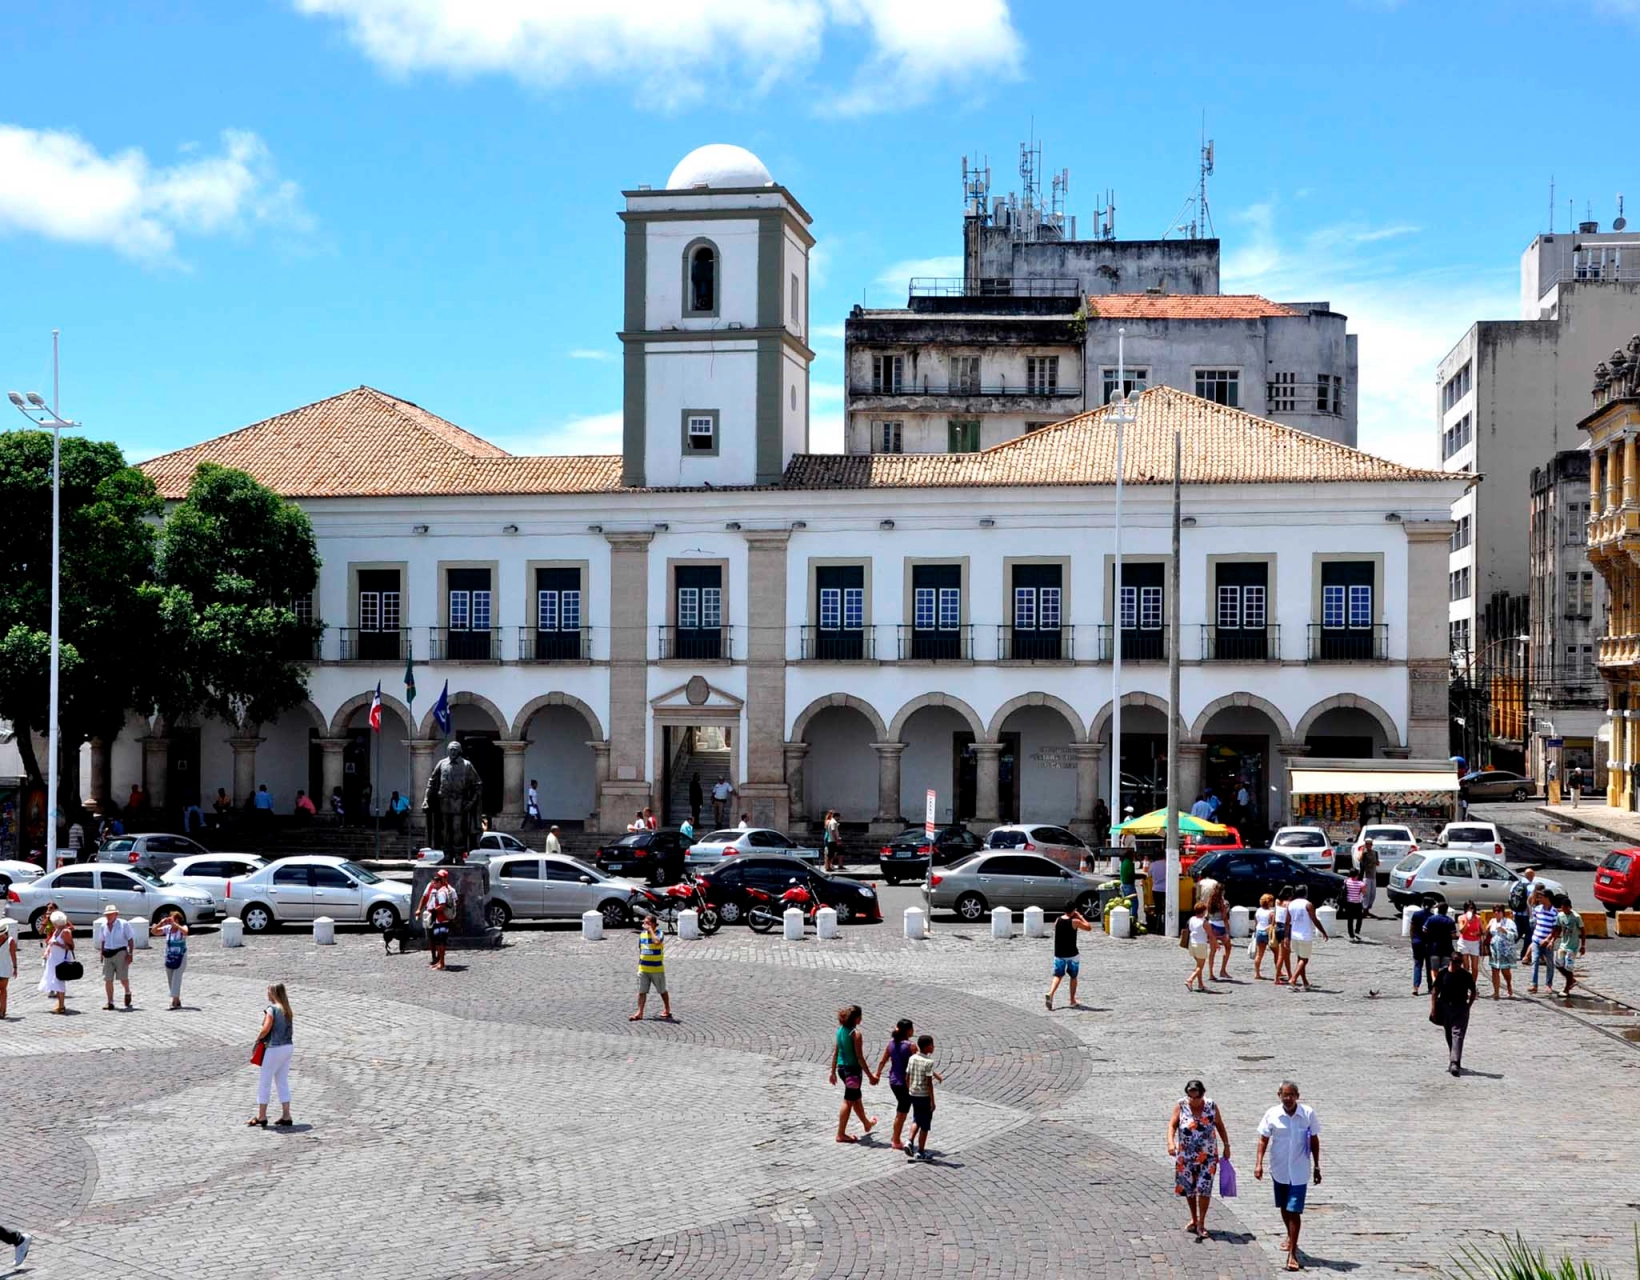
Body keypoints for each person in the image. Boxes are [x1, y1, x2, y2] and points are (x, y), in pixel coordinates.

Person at [1255, 1081, 1322, 1273]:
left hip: (1300, 1171)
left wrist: (1317, 1166)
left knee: (1294, 1211)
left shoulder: (1308, 1114)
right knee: (1284, 1207)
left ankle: (1292, 1253)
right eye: (1285, 1094)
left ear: (1298, 1096)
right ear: (1279, 1095)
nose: (1288, 1098)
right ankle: (1290, 1236)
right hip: (1280, 1170)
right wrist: (1258, 1164)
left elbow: (1314, 1139)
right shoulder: (1272, 1114)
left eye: (1292, 1094)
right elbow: (1263, 1140)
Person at [1168, 1078, 1231, 1241]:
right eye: (1190, 1096)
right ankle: (1194, 1218)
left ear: (1202, 1094)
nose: (1193, 1100)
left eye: (1196, 1096)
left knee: (1204, 1188)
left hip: (1208, 1156)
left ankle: (1201, 1222)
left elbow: (1220, 1125)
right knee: (1189, 1189)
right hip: (1185, 1156)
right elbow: (1172, 1124)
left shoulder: (1211, 1106)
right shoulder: (1181, 1105)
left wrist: (1226, 1145)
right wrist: (1170, 1142)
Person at [249, 983, 295, 1127]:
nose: (267, 994)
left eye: (269, 991)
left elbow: (266, 1028)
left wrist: (258, 1038)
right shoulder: (287, 1009)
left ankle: (261, 1115)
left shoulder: (272, 1009)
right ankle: (286, 1115)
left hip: (274, 1047)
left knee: (265, 1081)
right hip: (287, 1047)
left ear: (273, 993)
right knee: (282, 1081)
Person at [829, 1005, 877, 1143]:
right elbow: (860, 1057)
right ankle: (841, 1134)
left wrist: (832, 1072)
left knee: (856, 1097)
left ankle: (867, 1123)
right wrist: (870, 1076)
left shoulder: (840, 1031)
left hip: (842, 1069)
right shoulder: (855, 1034)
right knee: (848, 1100)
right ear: (856, 1018)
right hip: (853, 1072)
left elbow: (836, 1052)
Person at [1430, 951, 1478, 1076]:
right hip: (1445, 1008)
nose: (1458, 965)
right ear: (1450, 961)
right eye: (1456, 962)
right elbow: (1435, 992)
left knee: (1458, 1034)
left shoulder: (1465, 975)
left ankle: (1454, 1062)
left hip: (1461, 1008)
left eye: (1460, 962)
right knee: (1449, 1035)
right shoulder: (1443, 974)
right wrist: (1433, 1009)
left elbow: (1473, 991)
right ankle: (1455, 1058)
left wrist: (1468, 1006)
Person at [873, 1018, 916, 1150]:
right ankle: (896, 1139)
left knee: (901, 1109)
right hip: (905, 1083)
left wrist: (877, 1075)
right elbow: (916, 1064)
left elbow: (882, 1061)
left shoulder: (891, 1044)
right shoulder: (911, 1046)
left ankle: (895, 1137)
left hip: (893, 1081)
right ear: (909, 1030)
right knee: (902, 1112)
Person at [904, 1033, 941, 1161]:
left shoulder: (912, 1058)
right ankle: (920, 1152)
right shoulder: (929, 1062)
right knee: (925, 1125)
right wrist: (932, 1101)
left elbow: (907, 1077)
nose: (933, 1047)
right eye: (932, 1045)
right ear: (926, 1047)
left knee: (916, 1119)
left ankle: (909, 1141)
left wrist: (909, 1089)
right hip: (924, 1096)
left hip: (913, 1094)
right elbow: (929, 1083)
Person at [1046, 907, 1093, 1009]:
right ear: (1073, 911)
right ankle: (1072, 1000)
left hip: (1059, 953)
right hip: (1072, 954)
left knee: (1058, 975)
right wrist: (1080, 917)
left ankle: (1051, 993)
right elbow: (1089, 927)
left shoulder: (1057, 920)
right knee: (1073, 977)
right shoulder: (1075, 921)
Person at [93, 904, 136, 1011]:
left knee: (122, 977)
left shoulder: (123, 924)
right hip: (108, 953)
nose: (109, 916)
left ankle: (127, 991)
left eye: (111, 914)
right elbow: (102, 940)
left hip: (120, 951)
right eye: (107, 915)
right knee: (108, 978)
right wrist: (101, 953)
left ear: (116, 914)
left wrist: (130, 954)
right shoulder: (103, 925)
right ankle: (110, 1002)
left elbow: (130, 939)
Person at [631, 913, 672, 1020]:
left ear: (654, 924)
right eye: (644, 922)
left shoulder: (659, 933)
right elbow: (641, 949)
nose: (645, 925)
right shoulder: (642, 935)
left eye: (648, 923)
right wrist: (639, 964)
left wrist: (650, 931)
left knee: (662, 990)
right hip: (643, 968)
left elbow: (657, 942)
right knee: (641, 991)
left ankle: (667, 1009)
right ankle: (640, 1012)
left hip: (656, 969)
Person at [1287, 885, 1326, 991]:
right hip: (1305, 935)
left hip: (1294, 935)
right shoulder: (1308, 904)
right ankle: (1293, 979)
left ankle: (1305, 982)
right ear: (1305, 893)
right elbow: (1315, 920)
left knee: (1300, 959)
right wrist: (1323, 932)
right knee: (1304, 959)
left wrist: (1286, 937)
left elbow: (1287, 922)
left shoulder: (1290, 904)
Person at [418, 869, 457, 970]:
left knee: (440, 941)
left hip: (441, 918)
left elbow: (444, 905)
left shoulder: (445, 891)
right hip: (435, 918)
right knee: (434, 939)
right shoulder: (436, 887)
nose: (435, 881)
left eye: (440, 878)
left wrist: (432, 910)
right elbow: (425, 897)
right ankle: (437, 960)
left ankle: (441, 962)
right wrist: (420, 909)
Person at [1548, 892, 1586, 998]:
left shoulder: (1576, 917)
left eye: (1566, 908)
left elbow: (1583, 931)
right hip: (1563, 945)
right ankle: (1571, 980)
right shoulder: (1560, 916)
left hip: (1572, 947)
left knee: (1569, 968)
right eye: (1563, 908)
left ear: (1570, 907)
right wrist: (1552, 940)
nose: (1564, 910)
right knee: (1558, 964)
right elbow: (1557, 929)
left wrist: (1583, 946)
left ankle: (1567, 989)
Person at [151, 910, 189, 1010]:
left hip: (181, 957)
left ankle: (174, 1001)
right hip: (169, 957)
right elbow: (153, 932)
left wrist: (176, 925)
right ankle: (177, 998)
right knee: (171, 979)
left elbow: (185, 932)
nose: (172, 921)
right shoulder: (167, 929)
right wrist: (161, 922)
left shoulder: (183, 927)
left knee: (176, 978)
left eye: (174, 919)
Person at [39, 911, 73, 1014]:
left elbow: (71, 947)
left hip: (61, 959)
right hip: (53, 959)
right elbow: (50, 943)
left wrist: (58, 944)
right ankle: (59, 1003)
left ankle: (61, 1005)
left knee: (59, 982)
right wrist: (47, 951)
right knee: (54, 981)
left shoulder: (66, 932)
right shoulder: (57, 930)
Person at [1528, 885, 1558, 994]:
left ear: (1547, 898)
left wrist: (1549, 940)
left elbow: (1555, 929)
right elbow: (1535, 923)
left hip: (1548, 942)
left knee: (1549, 963)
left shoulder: (1554, 912)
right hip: (1536, 940)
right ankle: (1534, 984)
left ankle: (1548, 984)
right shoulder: (1537, 909)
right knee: (1535, 961)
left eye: (1541, 897)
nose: (1539, 899)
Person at [1422, 896, 1456, 985]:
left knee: (1434, 969)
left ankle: (1435, 983)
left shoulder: (1431, 919)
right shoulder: (1450, 921)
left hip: (1433, 948)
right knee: (1444, 969)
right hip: (1446, 949)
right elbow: (1453, 935)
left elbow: (1424, 930)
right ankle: (1442, 984)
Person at [1486, 904, 1516, 999]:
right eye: (1495, 911)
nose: (1496, 913)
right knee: (1494, 970)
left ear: (1502, 912)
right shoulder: (1492, 921)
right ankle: (1496, 992)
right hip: (1494, 949)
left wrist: (1505, 931)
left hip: (1505, 951)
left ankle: (1508, 985)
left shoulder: (1509, 922)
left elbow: (1515, 935)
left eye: (1498, 911)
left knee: (1505, 971)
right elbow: (1487, 933)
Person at [1409, 895, 1436, 994]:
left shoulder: (1416, 914)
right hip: (1428, 944)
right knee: (1429, 966)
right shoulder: (1432, 917)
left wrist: (1412, 939)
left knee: (1417, 965)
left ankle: (1415, 987)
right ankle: (1430, 986)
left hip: (1417, 942)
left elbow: (1412, 928)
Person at [1184, 901, 1211, 993]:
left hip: (1192, 944)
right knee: (1200, 966)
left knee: (1199, 964)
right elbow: (1210, 935)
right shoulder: (1204, 922)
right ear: (1204, 911)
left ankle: (1200, 984)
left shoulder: (1191, 919)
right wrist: (1216, 944)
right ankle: (1190, 979)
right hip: (1201, 945)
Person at [1508, 870, 1535, 961]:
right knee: (1529, 934)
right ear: (1531, 876)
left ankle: (1507, 950)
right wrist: (1531, 915)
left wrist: (1513, 910)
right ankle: (1525, 954)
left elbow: (1511, 898)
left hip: (1516, 913)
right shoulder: (1531, 887)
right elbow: (1530, 902)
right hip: (1526, 915)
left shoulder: (1515, 885)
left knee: (1517, 933)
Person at [1456, 900, 1484, 977]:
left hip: (1474, 943)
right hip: (1464, 942)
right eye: (1468, 908)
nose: (1470, 910)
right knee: (1466, 966)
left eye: (1471, 908)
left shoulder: (1478, 918)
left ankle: (1473, 984)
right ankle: (1465, 984)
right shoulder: (1461, 917)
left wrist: (1477, 933)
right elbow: (1461, 931)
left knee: (1474, 967)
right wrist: (1467, 922)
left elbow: (1483, 931)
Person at [1272, 887, 1293, 986]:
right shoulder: (1288, 904)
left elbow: (1275, 914)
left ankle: (1290, 974)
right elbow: (1289, 919)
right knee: (1282, 955)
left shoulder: (1277, 901)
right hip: (1286, 928)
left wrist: (1272, 926)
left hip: (1278, 927)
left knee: (1286, 954)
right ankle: (1276, 977)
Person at [1252, 893, 1275, 980]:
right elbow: (1272, 924)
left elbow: (1256, 922)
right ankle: (1278, 971)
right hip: (1267, 933)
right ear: (1268, 902)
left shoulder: (1258, 910)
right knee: (1277, 953)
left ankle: (1257, 973)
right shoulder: (1271, 913)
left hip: (1259, 932)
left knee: (1259, 954)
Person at [1356, 837, 1380, 917]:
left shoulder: (1375, 853)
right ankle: (1364, 909)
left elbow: (1377, 862)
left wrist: (1377, 863)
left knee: (1372, 894)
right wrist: (1362, 851)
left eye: (1370, 844)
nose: (1369, 845)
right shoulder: (1364, 853)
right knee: (1366, 894)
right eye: (1367, 844)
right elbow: (1359, 858)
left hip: (1373, 875)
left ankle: (1368, 908)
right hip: (1366, 876)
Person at [1342, 866, 1365, 941]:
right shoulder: (1361, 884)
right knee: (1359, 918)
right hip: (1357, 903)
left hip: (1349, 903)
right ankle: (1357, 931)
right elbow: (1364, 893)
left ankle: (1351, 935)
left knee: (1350, 919)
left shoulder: (1346, 881)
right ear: (1357, 875)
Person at [0, 918, 16, 1019]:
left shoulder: (10, 941)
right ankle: (2, 1010)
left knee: (2, 990)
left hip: (5, 968)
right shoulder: (10, 941)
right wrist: (15, 967)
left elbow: (13, 955)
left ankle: (2, 1010)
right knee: (3, 990)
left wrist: (15, 967)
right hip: (5, 967)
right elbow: (13, 955)